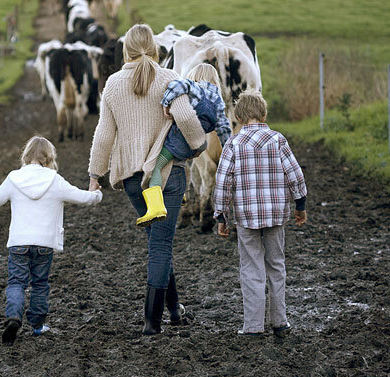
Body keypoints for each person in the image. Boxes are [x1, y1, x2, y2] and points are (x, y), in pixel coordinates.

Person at [88, 24, 206, 335]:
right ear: (155, 49)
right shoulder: (168, 79)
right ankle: (152, 322)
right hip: (167, 176)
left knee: (157, 242)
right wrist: (199, 144)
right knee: (161, 245)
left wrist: (95, 174)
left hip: (131, 180)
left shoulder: (113, 84)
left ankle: (174, 310)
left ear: (125, 50)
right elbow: (186, 117)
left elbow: (104, 134)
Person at [0, 136, 102, 345]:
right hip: (44, 245)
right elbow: (83, 197)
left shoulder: (13, 178)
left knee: (17, 282)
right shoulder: (55, 179)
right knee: (39, 284)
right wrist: (96, 194)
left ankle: (13, 317)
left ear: (26, 156)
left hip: (19, 243)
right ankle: (37, 326)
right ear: (49, 158)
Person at [213, 89, 308, 337]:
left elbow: (223, 182)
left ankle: (253, 326)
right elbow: (295, 174)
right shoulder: (278, 141)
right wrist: (300, 204)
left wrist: (221, 215)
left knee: (251, 268)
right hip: (276, 215)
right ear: (263, 113)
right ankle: (280, 322)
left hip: (246, 218)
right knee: (276, 265)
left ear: (239, 117)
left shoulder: (233, 143)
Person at [137, 63, 232, 226]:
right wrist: (229, 149)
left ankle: (155, 208)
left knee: (156, 167)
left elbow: (176, 85)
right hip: (197, 145)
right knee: (179, 163)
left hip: (179, 139)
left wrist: (166, 104)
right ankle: (181, 194)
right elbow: (223, 127)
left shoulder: (195, 87)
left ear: (195, 76)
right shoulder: (218, 100)